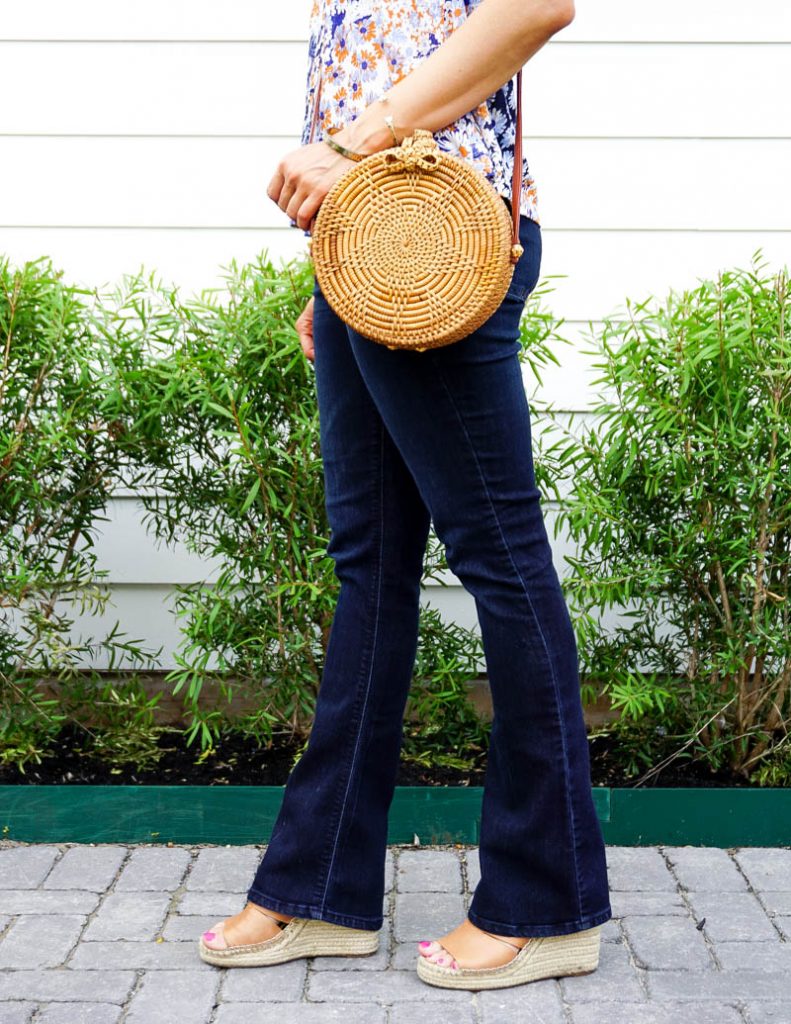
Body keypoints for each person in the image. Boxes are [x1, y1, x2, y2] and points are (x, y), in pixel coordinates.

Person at [198, 0, 612, 990]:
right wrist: (340, 257)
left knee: (501, 561)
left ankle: (545, 905)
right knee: (370, 570)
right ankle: (317, 891)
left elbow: (534, 5)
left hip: (440, 241)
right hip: (374, 249)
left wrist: (354, 143)